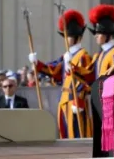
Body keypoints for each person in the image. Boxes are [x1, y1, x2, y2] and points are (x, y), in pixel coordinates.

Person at [28, 9, 94, 139]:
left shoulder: (83, 56)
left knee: (78, 134)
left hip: (75, 100)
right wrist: (37, 63)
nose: (66, 39)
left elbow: (87, 79)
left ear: (77, 37)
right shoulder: (66, 56)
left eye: (68, 36)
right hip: (64, 99)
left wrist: (79, 100)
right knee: (65, 133)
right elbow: (54, 71)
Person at [72, 4, 114, 157]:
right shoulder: (99, 55)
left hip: (110, 101)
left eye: (98, 32)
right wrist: (73, 69)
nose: (95, 36)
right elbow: (90, 76)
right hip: (99, 98)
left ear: (107, 33)